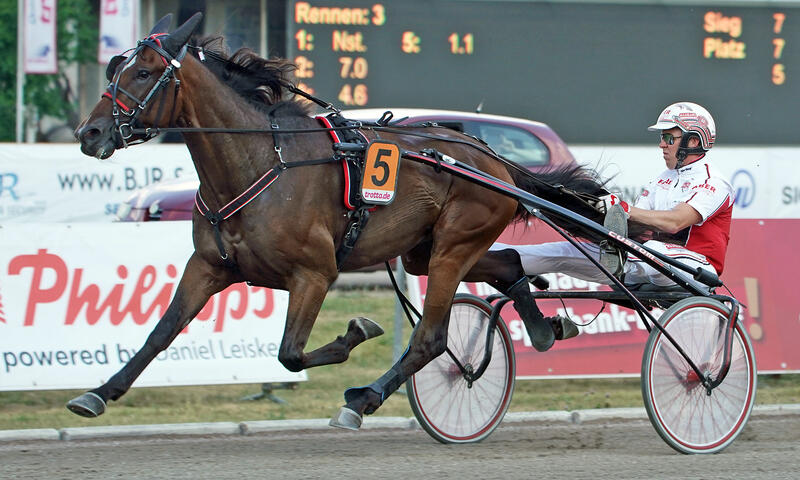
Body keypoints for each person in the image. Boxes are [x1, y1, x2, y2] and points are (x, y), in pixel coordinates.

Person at [465, 102, 734, 352]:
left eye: (669, 138)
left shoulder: (714, 182)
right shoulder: (662, 180)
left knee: (646, 248)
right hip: (647, 264)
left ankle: (616, 260)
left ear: (694, 141)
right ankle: (490, 255)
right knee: (568, 251)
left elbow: (675, 221)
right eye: (661, 137)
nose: (662, 144)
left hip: (695, 270)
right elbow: (634, 224)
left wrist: (624, 209)